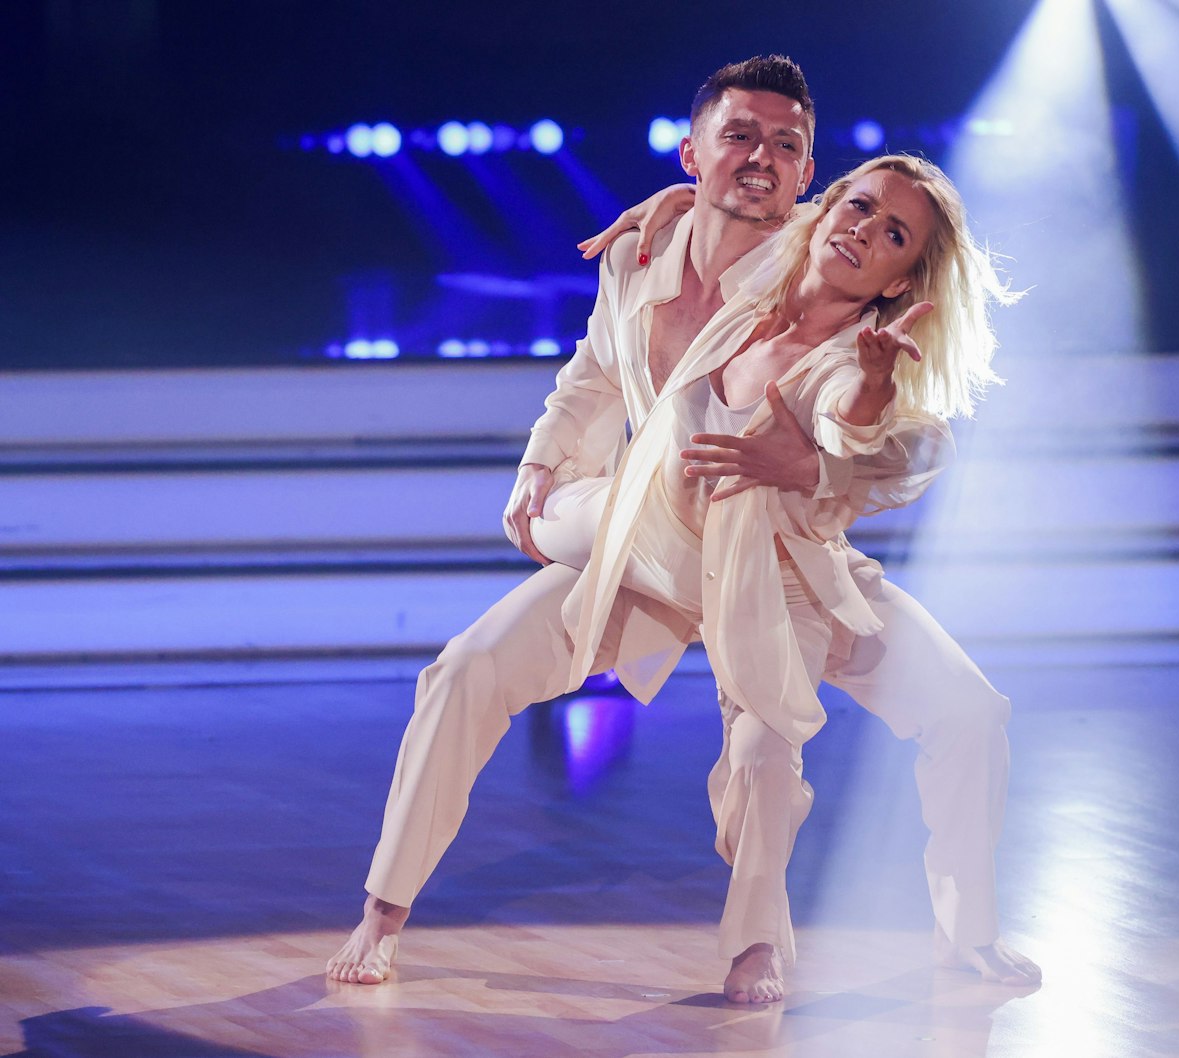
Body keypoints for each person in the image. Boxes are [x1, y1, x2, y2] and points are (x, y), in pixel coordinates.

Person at [325, 57, 1039, 1001]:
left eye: (788, 148)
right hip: (651, 558)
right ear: (692, 150)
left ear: (807, 179)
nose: (763, 160)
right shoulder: (643, 254)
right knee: (466, 668)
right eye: (739, 136)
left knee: (939, 720)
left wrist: (822, 458)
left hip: (782, 571)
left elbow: (899, 441)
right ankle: (383, 912)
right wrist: (543, 460)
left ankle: (910, 939)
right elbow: (591, 372)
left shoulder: (819, 279)